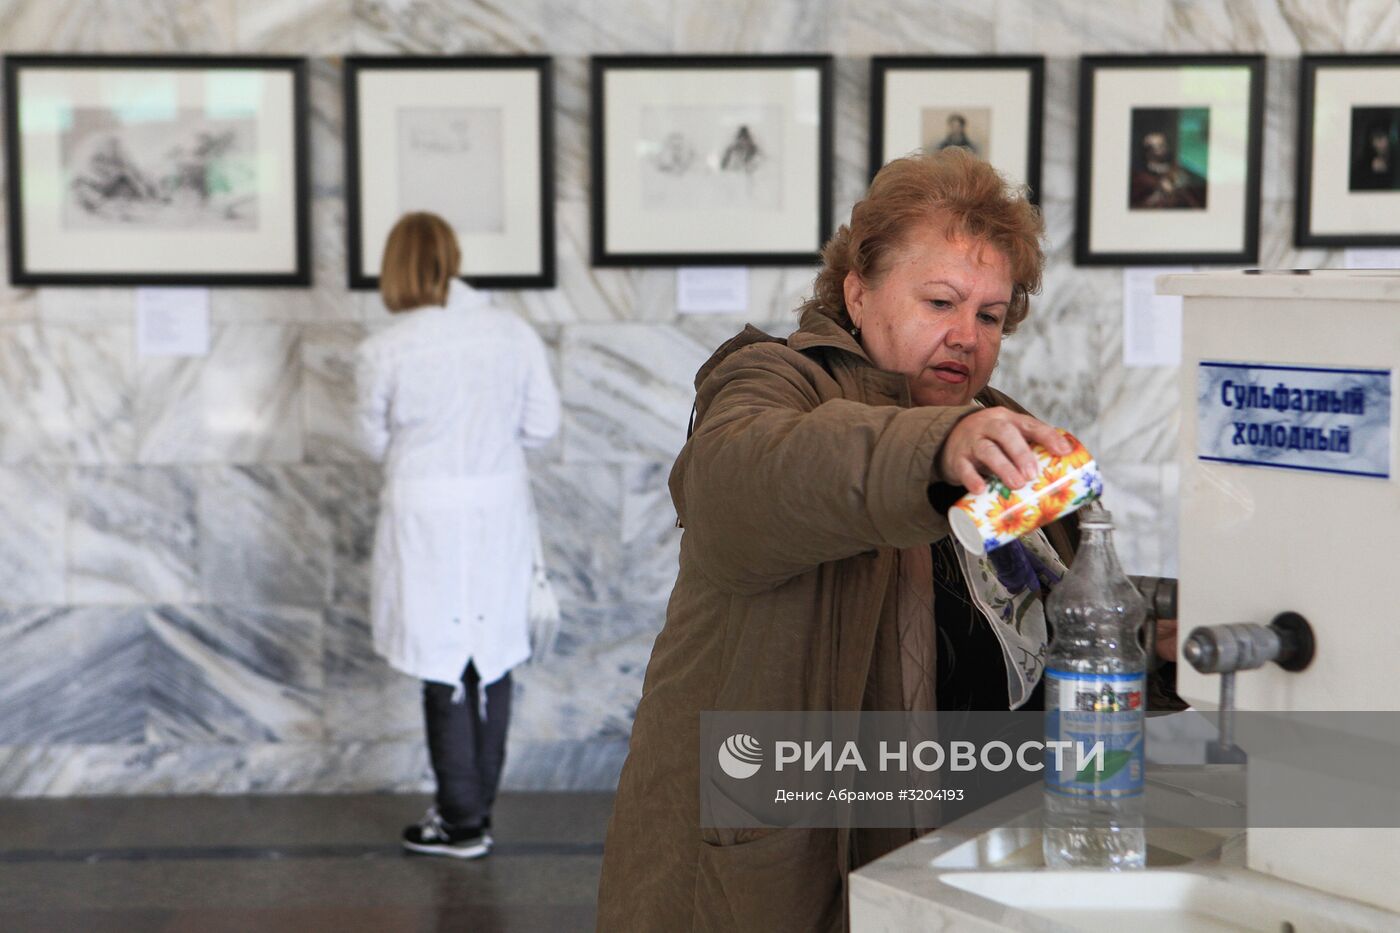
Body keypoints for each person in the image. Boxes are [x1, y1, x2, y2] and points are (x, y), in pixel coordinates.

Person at [595, 148, 1183, 930]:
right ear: (858, 291)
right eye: (940, 300)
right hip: (787, 857)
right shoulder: (772, 380)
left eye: (989, 315)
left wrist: (1152, 642)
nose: (966, 337)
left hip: (972, 858)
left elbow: (1052, 620)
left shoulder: (996, 427)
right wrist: (934, 447)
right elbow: (736, 484)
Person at [354, 212, 560, 860]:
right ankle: (472, 812)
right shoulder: (511, 332)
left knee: (442, 658)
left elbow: (371, 439)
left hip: (423, 512)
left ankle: (461, 818)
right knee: (492, 652)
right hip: (498, 506)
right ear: (452, 255)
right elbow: (541, 425)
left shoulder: (382, 348)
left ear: (395, 267)